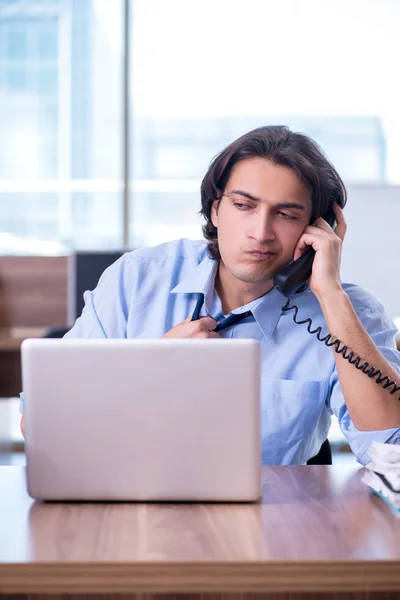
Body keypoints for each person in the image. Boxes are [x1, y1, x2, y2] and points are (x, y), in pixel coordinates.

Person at [20, 125, 400, 464]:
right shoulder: (136, 279)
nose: (261, 232)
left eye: (285, 214)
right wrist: (147, 367)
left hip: (273, 526)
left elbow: (391, 449)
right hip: (129, 517)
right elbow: (41, 422)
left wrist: (330, 297)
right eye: (243, 206)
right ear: (216, 209)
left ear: (319, 228)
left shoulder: (349, 315)